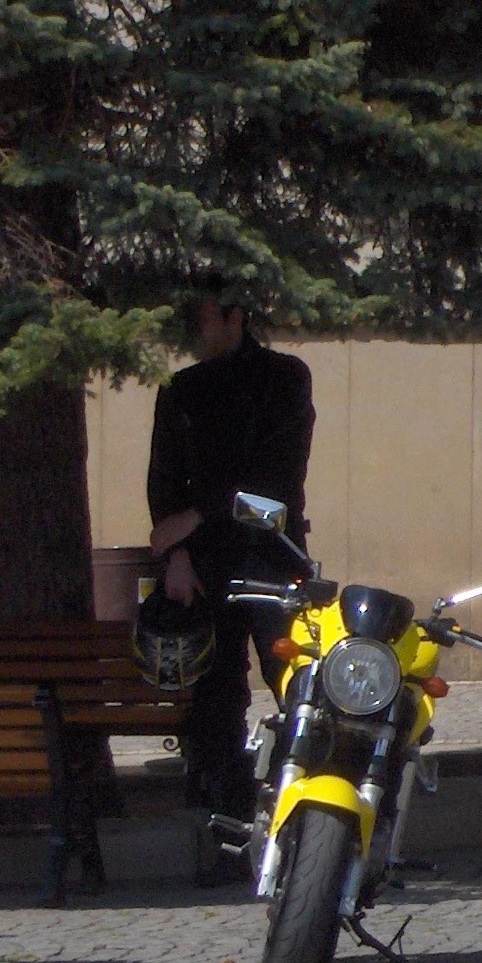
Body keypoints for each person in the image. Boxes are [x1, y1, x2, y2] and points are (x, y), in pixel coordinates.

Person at [145, 289, 316, 870]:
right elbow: (163, 483)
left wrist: (199, 514)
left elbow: (277, 476)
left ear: (235, 317)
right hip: (203, 564)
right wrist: (177, 553)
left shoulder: (285, 378)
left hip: (271, 554)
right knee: (213, 701)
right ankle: (224, 836)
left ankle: (305, 828)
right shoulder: (181, 388)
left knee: (295, 684)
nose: (196, 332)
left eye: (203, 319)